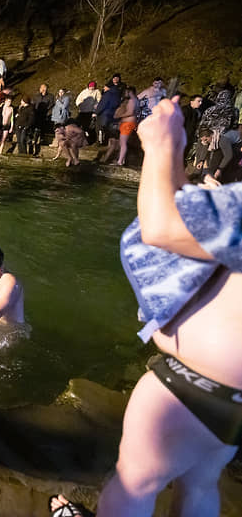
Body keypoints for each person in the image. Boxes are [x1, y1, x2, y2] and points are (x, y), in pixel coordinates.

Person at [102, 97, 242, 517]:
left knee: (131, 486)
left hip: (189, 389)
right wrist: (177, 151)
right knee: (200, 484)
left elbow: (161, 227)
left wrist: (161, 145)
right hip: (233, 398)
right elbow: (191, 226)